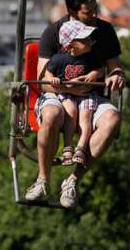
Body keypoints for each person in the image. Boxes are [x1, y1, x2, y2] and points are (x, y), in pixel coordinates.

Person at [26, 0, 126, 208]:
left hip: (91, 96)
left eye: (95, 10)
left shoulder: (104, 31)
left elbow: (114, 66)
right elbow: (43, 82)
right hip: (59, 95)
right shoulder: (54, 33)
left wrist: (115, 75)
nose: (94, 16)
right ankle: (43, 179)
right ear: (72, 12)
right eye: (87, 13)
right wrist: (70, 89)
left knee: (113, 120)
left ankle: (72, 180)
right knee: (51, 115)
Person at [44, 20, 103, 166]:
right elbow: (47, 74)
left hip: (86, 95)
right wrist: (53, 80)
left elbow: (101, 69)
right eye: (84, 39)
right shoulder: (58, 59)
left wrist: (94, 74)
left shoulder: (91, 56)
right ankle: (68, 146)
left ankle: (81, 148)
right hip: (68, 94)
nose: (90, 40)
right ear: (70, 45)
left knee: (85, 117)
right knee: (70, 111)